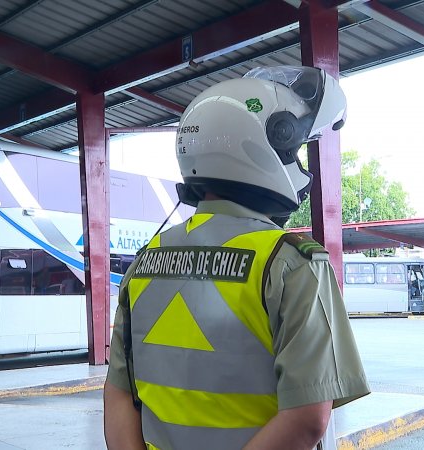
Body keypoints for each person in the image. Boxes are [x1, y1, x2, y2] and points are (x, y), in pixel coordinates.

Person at [104, 65, 370, 450]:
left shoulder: (145, 262)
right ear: (265, 147)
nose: (298, 165)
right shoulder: (289, 264)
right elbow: (308, 418)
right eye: (293, 151)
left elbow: (117, 394)